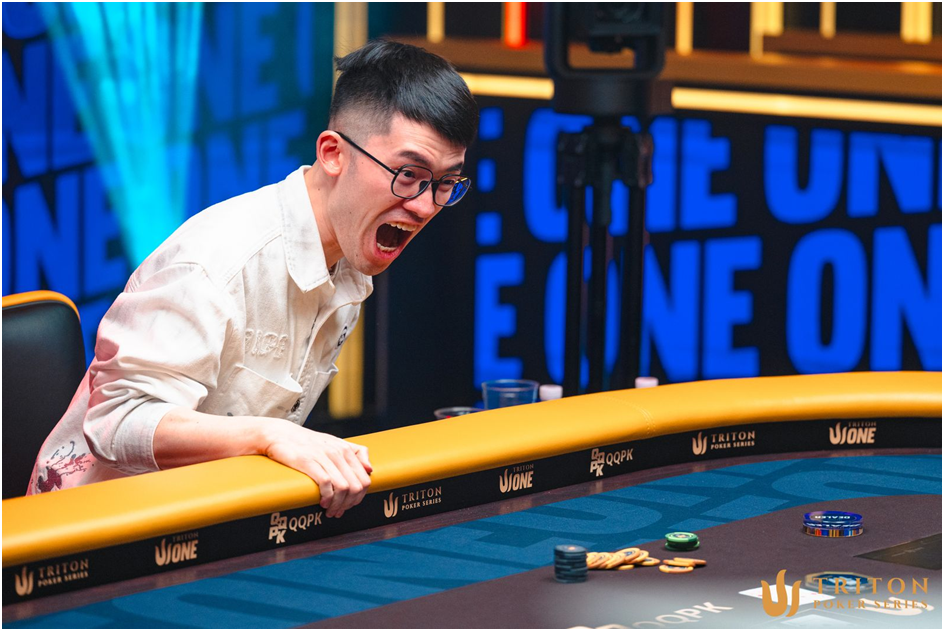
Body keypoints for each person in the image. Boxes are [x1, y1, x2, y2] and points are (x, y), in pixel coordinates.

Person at [26, 39, 479, 520]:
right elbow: (117, 421)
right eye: (408, 174)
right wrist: (268, 435)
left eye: (446, 182)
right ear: (332, 153)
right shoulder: (215, 262)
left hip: (205, 517)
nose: (425, 205)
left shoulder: (350, 256)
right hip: (83, 529)